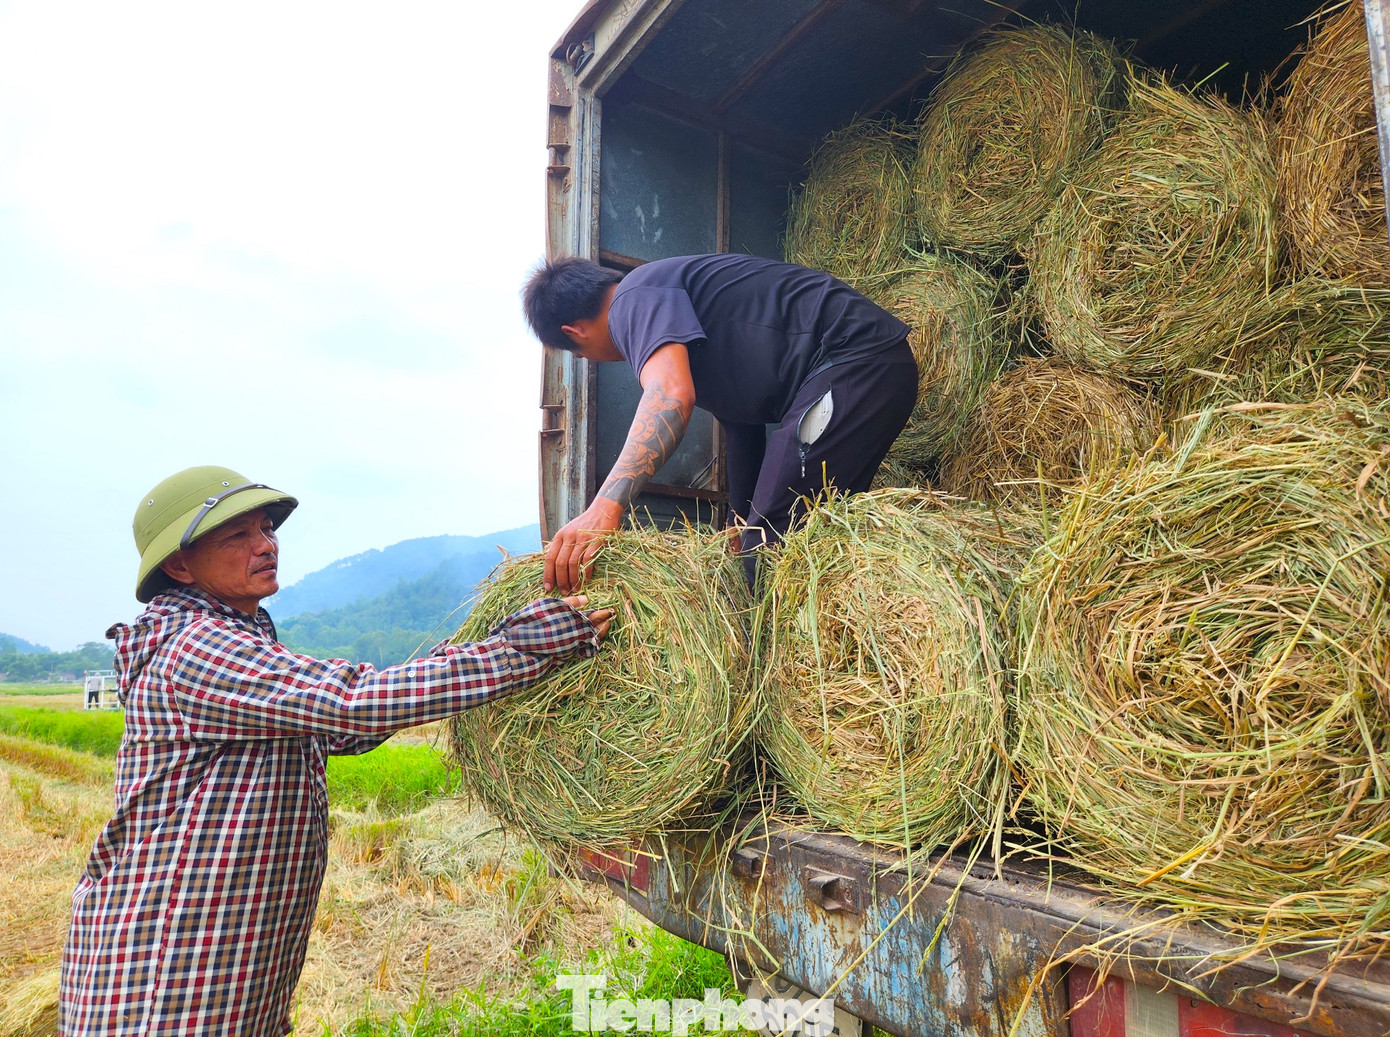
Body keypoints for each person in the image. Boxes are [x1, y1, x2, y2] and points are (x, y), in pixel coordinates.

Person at [58, 465, 612, 1036]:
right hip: (166, 963)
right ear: (178, 565)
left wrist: (473, 650)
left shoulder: (240, 639)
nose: (265, 545)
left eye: (266, 529)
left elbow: (343, 729)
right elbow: (356, 701)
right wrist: (519, 646)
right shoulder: (195, 648)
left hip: (228, 956)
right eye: (236, 537)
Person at [522, 253, 917, 592]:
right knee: (764, 541)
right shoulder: (664, 306)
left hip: (855, 362)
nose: (594, 358)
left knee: (768, 552)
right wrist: (737, 523)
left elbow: (671, 396)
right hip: (861, 370)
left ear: (573, 333)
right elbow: (742, 427)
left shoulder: (633, 297)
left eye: (581, 353)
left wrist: (604, 507)